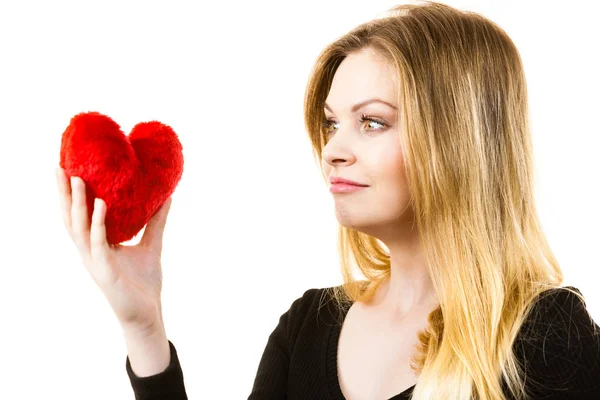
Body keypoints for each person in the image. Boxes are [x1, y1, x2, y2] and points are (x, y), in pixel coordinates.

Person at [55, 1, 600, 399]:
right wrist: (144, 327)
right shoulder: (308, 326)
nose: (333, 149)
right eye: (331, 123)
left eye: (372, 122)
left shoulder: (548, 338)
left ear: (459, 139)